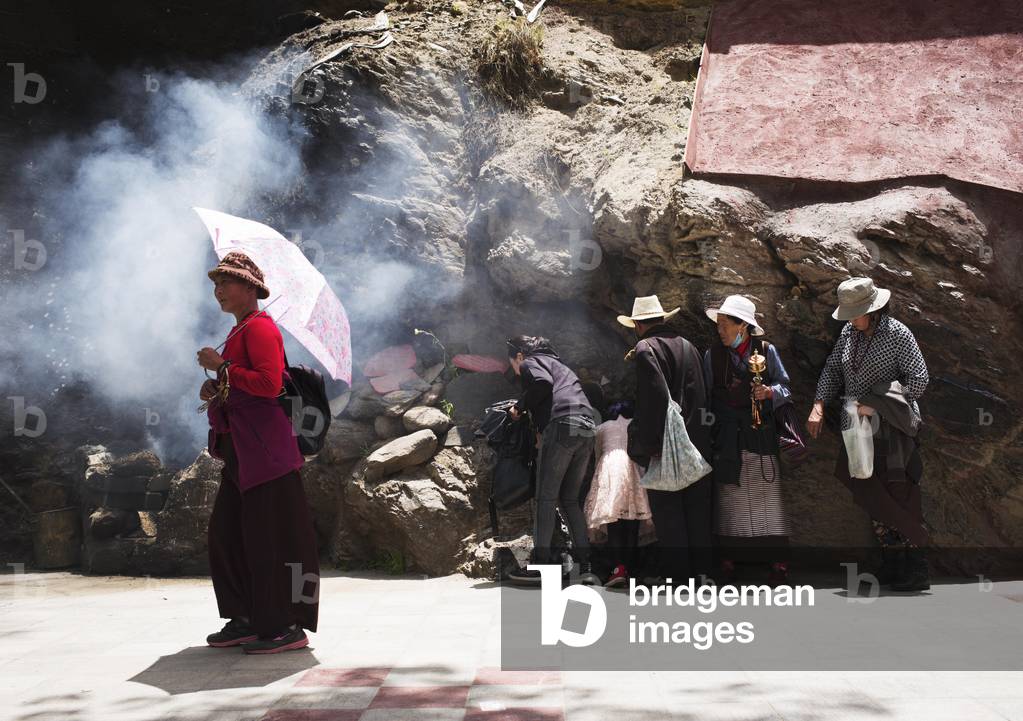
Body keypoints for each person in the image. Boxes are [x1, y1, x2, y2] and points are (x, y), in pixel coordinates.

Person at [198, 251, 320, 653]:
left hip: (266, 456)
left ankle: (286, 624)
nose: (218, 291)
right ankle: (247, 616)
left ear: (249, 288)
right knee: (228, 534)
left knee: (272, 540)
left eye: (225, 283)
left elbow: (269, 385)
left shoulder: (261, 330)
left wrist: (223, 368)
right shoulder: (238, 332)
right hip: (243, 454)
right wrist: (216, 389)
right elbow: (244, 388)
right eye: (215, 284)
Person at [807, 277, 931, 592]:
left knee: (900, 493)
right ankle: (891, 564)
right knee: (871, 493)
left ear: (873, 310)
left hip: (893, 430)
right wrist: (819, 404)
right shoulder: (849, 333)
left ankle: (917, 567)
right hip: (858, 432)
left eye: (855, 313)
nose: (849, 319)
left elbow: (919, 380)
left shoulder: (898, 334)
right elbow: (834, 369)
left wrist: (875, 404)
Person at [620, 295, 713, 587]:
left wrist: (648, 445)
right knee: (697, 511)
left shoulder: (645, 348)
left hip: (667, 442)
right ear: (662, 319)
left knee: (669, 510)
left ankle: (679, 577)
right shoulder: (689, 347)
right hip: (697, 440)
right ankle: (704, 574)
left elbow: (653, 400)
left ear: (637, 325)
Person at [703, 295, 794, 587]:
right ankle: (729, 563)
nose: (720, 330)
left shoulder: (766, 352)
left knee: (769, 502)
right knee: (731, 501)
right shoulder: (712, 356)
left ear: (743, 325)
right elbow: (706, 397)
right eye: (718, 325)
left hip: (761, 436)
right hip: (727, 437)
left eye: (725, 324)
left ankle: (778, 564)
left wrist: (769, 393)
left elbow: (786, 389)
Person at [504, 335, 599, 585]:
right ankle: (586, 565)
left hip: (563, 426)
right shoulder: (561, 366)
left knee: (545, 498)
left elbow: (542, 385)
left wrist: (519, 406)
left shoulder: (530, 362)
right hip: (587, 428)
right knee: (569, 499)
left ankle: (541, 567)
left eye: (512, 364)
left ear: (520, 356)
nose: (516, 371)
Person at [583, 400, 656, 588]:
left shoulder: (602, 428)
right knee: (632, 523)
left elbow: (598, 454)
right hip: (633, 471)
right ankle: (631, 570)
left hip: (610, 471)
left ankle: (618, 569)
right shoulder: (635, 425)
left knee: (613, 523)